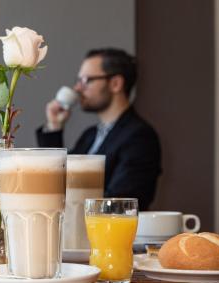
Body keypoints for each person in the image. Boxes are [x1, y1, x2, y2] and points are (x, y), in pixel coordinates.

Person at [36, 48, 161, 210]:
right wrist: (54, 126)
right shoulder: (90, 135)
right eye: (78, 80)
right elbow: (58, 180)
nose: (77, 88)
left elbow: (120, 203)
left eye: (86, 80)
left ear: (115, 83)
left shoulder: (140, 137)